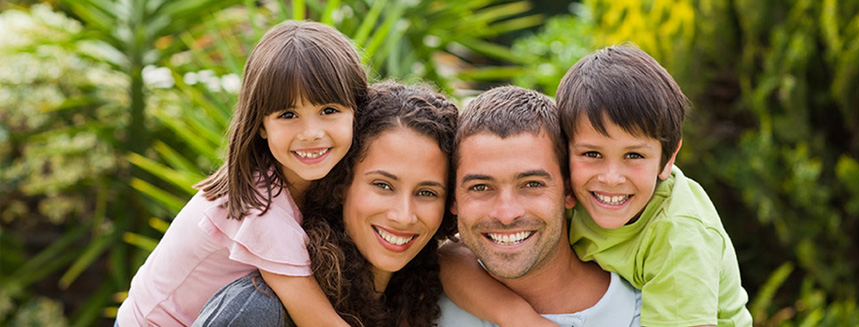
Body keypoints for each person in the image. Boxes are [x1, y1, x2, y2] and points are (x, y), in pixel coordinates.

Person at [443, 45, 754, 327]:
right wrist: (520, 318)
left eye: (634, 155)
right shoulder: (586, 194)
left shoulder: (680, 235)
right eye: (592, 154)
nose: (611, 178)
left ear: (668, 158)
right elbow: (448, 257)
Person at [116, 20, 367, 327]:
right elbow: (318, 320)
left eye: (329, 110)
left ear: (357, 109)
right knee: (262, 300)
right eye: (288, 115)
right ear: (261, 124)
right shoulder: (260, 208)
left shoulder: (311, 182)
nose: (311, 133)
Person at [192, 81, 459, 327]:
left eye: (427, 193)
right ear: (341, 183)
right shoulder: (260, 309)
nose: (403, 216)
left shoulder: (432, 300)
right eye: (383, 185)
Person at [437, 86, 642, 327]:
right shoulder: (418, 305)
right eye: (481, 187)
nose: (506, 214)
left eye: (532, 184)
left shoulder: (646, 313)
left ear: (569, 190)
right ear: (453, 199)